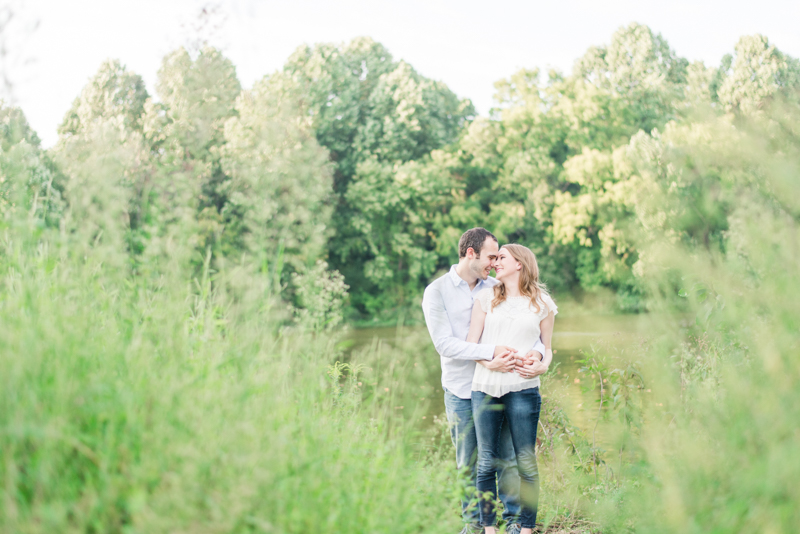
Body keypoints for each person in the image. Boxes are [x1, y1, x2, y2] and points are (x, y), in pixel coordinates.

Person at [422, 228, 546, 534]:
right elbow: (445, 345)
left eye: (498, 257)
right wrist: (490, 352)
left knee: (506, 458)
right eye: (491, 256)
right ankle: (474, 525)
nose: (494, 262)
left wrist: (537, 356)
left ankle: (515, 521)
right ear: (470, 254)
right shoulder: (436, 292)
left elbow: (531, 330)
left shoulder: (497, 287)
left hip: (499, 386)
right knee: (470, 460)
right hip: (462, 388)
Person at [467, 244, 556, 534]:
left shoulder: (543, 303)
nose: (495, 263)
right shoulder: (485, 298)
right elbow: (471, 345)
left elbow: (548, 347)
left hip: (524, 388)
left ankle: (526, 529)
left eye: (501, 258)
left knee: (526, 462)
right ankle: (490, 529)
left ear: (520, 264)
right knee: (486, 462)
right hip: (486, 386)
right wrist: (489, 362)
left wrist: (542, 363)